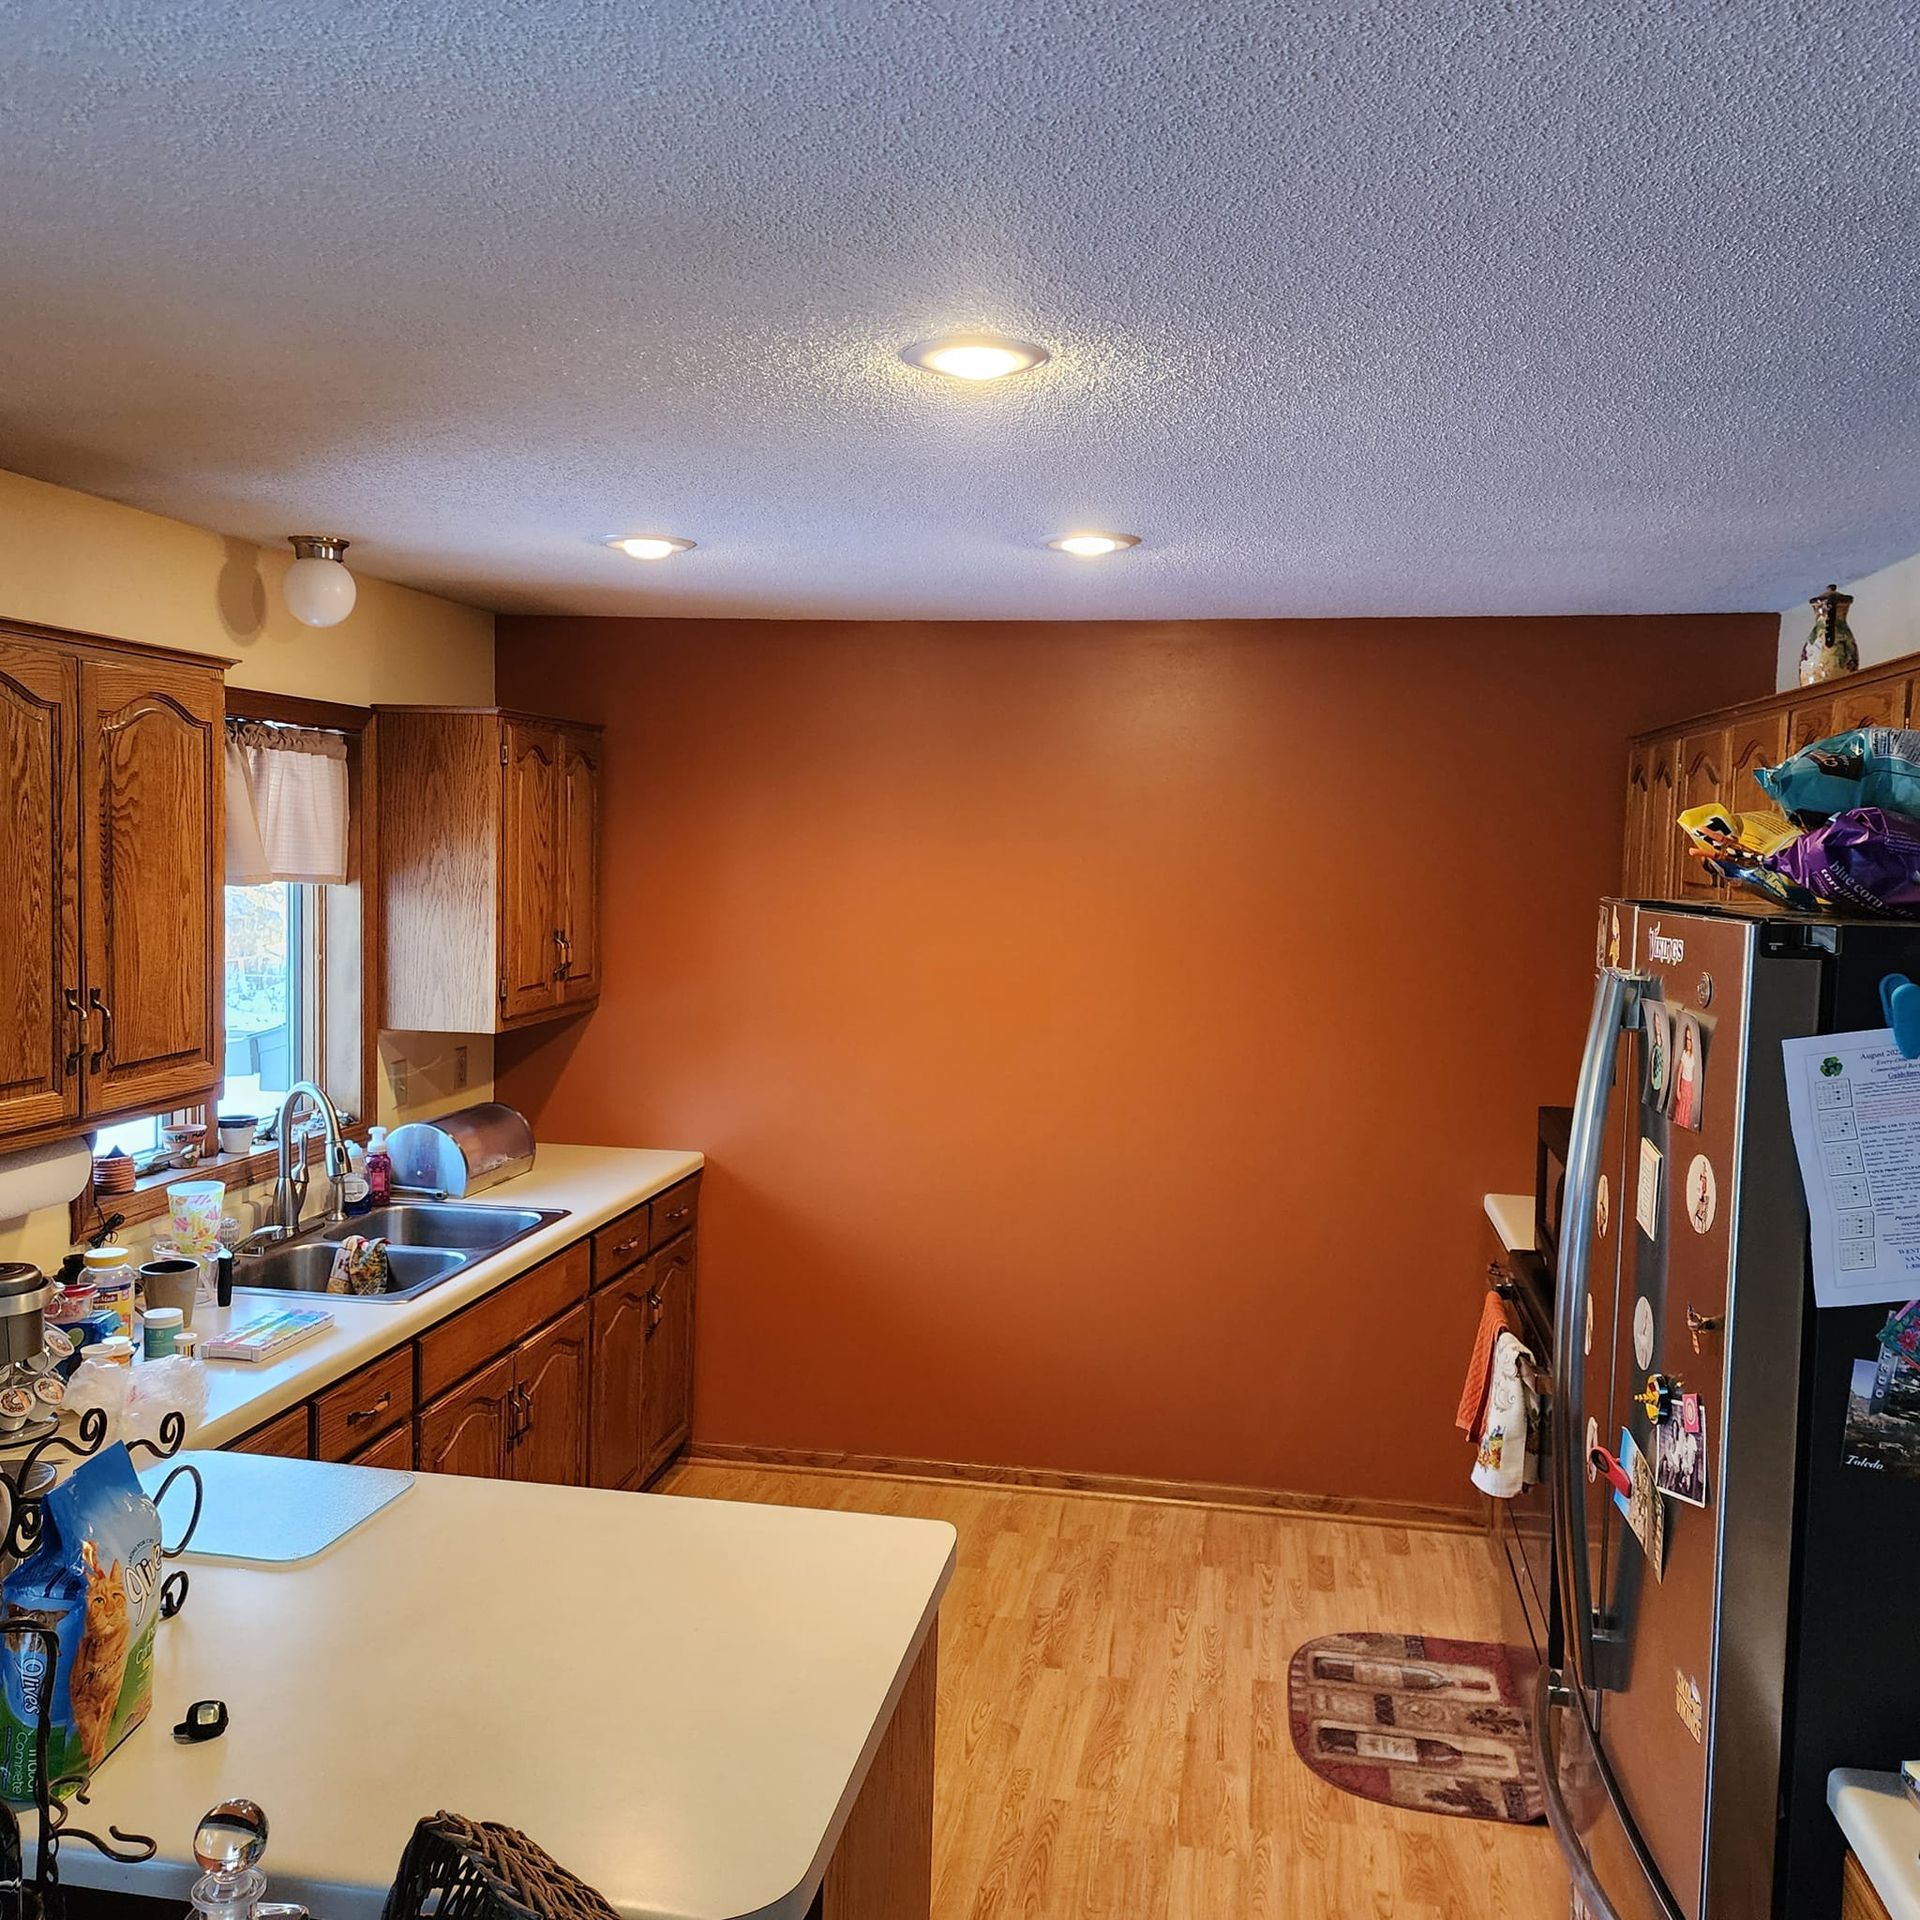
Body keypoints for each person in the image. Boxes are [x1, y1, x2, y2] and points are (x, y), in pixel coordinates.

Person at [1672, 1022, 1699, 1128]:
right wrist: (1678, 1089)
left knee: (1687, 1107)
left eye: (1690, 1040)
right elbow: (1679, 1072)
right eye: (1687, 1039)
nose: (1689, 1043)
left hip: (1690, 1086)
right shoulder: (1684, 1054)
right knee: (1680, 1107)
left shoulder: (1694, 1058)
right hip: (1683, 1084)